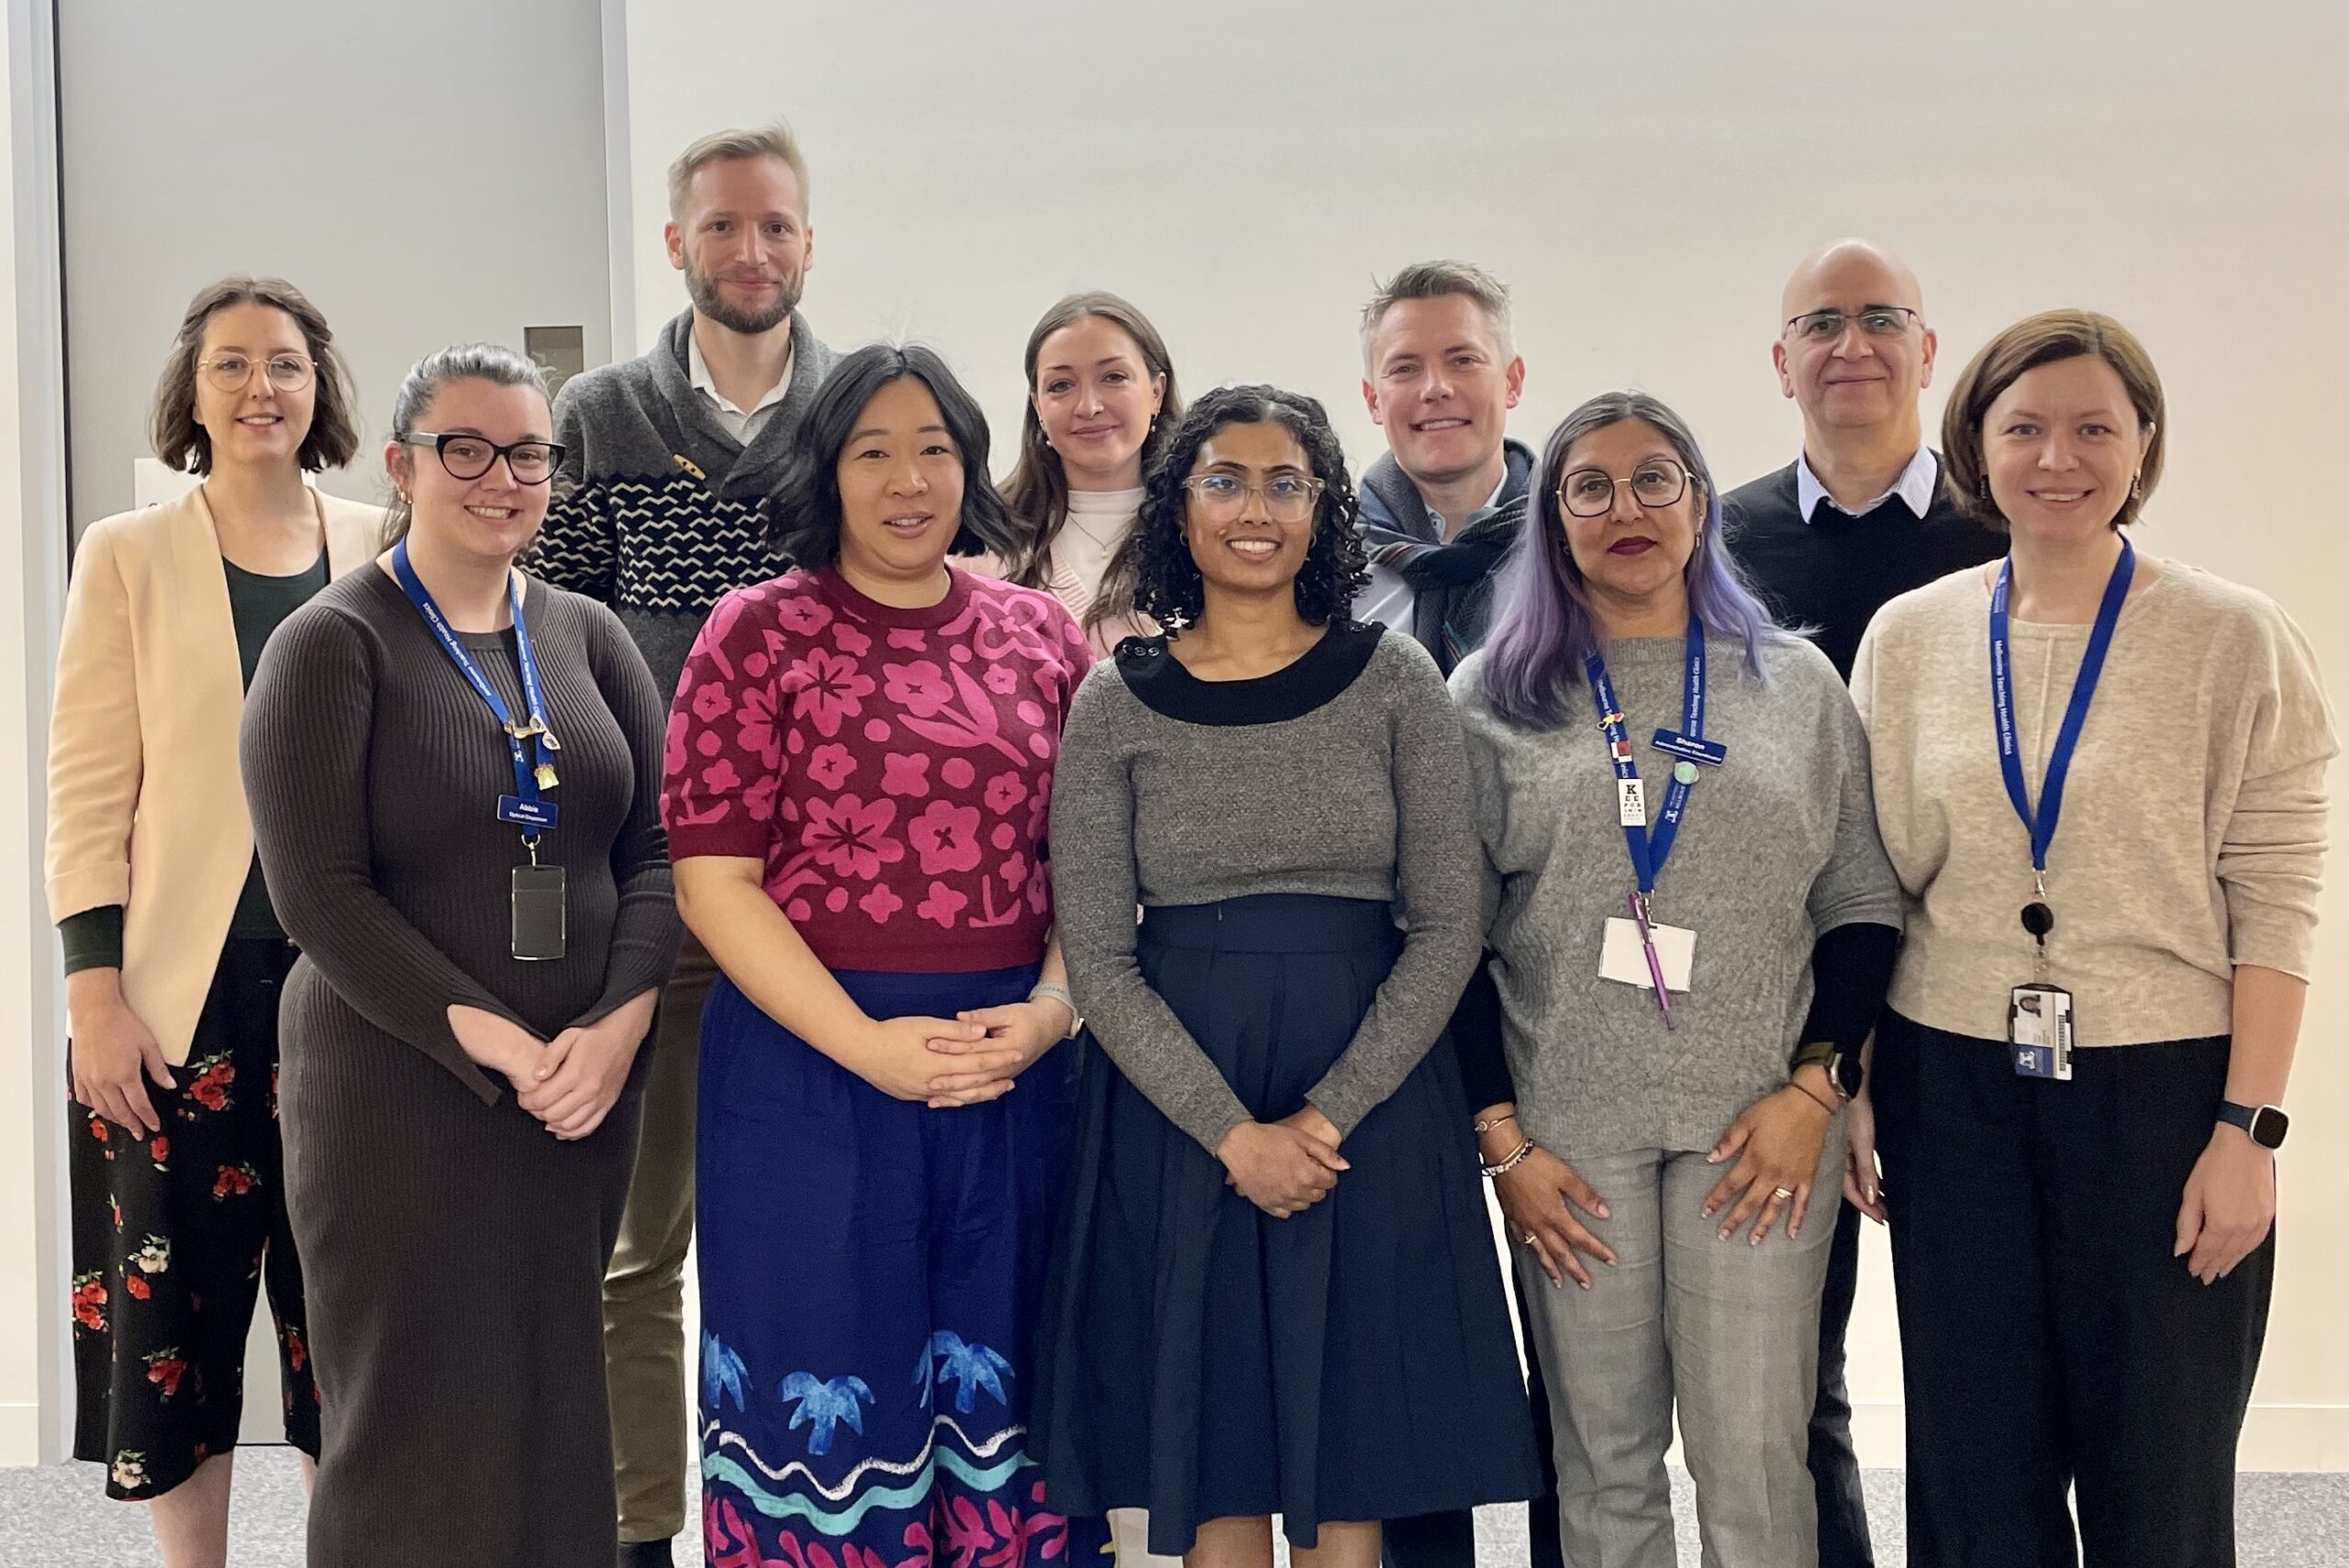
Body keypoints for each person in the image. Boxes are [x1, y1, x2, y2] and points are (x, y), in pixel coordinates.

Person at [1851, 310, 2334, 1567]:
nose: (2056, 457)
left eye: (2092, 429)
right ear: (1977, 444)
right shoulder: (1910, 638)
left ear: (2143, 444)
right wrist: (1857, 1081)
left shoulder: (2233, 637)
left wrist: (2250, 1132)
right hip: (1947, 1084)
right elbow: (1869, 884)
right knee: (1972, 1469)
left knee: (2160, 1469)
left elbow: (2277, 897)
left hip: (2163, 1094)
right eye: (2024, 428)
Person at [1034, 384, 1540, 1567]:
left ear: (1322, 508)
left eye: (1284, 481)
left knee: (1346, 1449)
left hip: (1366, 1100)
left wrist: (1322, 1116)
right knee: (1209, 1456)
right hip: (1178, 1102)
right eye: (1222, 479)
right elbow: (1098, 955)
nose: (1252, 508)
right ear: (1179, 507)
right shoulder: (1118, 697)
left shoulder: (1396, 676)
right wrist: (1231, 1131)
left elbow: (1449, 921)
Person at [665, 344, 1107, 1568]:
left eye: (936, 450)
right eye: (874, 451)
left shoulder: (1043, 637)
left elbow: (1094, 861)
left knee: (1010, 1383)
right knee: (829, 1386)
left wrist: (1056, 1009)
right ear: (829, 470)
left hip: (1011, 1066)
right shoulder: (754, 633)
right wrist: (865, 1045)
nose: (909, 480)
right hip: (808, 1071)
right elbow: (714, 879)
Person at [241, 344, 682, 1566]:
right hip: (401, 1093)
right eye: (468, 449)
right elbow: (318, 898)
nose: (503, 477)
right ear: (403, 463)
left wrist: (618, 1027)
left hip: (585, 1095)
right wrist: (498, 1043)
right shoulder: (333, 646)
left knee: (553, 1400)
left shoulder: (589, 638)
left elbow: (655, 853)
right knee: (409, 1410)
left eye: (529, 453)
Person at [1451, 390, 1903, 1566]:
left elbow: (1858, 906)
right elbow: (1450, 937)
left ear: (1701, 506)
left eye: (1655, 478)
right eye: (1588, 486)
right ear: (1553, 521)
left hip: (1756, 1135)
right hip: (1566, 1143)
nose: (1625, 508)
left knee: (1755, 1461)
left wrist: (1816, 1090)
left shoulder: (1795, 684)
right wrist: (1504, 1145)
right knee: (1601, 1466)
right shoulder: (1489, 696)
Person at [527, 119, 838, 1564]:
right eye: (722, 226)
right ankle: (645, 1535)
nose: (751, 251)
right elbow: (544, 653)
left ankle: (806, 1520)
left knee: (806, 1249)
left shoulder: (859, 413)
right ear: (677, 243)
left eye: (775, 226)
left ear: (808, 241)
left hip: (826, 907)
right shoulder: (595, 414)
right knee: (637, 1256)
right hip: (648, 894)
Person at [46, 275, 376, 1568]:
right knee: (174, 1323)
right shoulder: (126, 553)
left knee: (341, 1313)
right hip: (174, 1005)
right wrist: (93, 996)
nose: (261, 389)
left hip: (351, 995)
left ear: (319, 388)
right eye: (233, 364)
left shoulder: (382, 540)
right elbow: (85, 791)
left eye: (286, 364)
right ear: (194, 390)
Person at [1719, 238, 2005, 1565]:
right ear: (1782, 362)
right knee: (1796, 1370)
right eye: (1820, 323)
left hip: (1973, 1003)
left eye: (1881, 317)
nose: (1852, 344)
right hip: (1796, 1011)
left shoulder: (2010, 525)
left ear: (1927, 349)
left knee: (1976, 1375)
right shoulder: (1717, 543)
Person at [1354, 260, 1531, 675]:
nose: (1436, 388)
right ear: (1373, 400)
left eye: (1463, 360)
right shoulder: (1320, 558)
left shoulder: (1575, 545)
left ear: (1512, 382)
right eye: (1405, 369)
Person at [994, 289, 1180, 654]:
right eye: (1061, 385)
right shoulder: (986, 543)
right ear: (1038, 407)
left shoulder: (1206, 532)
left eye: (1113, 377)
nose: (1089, 406)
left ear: (1157, 391)